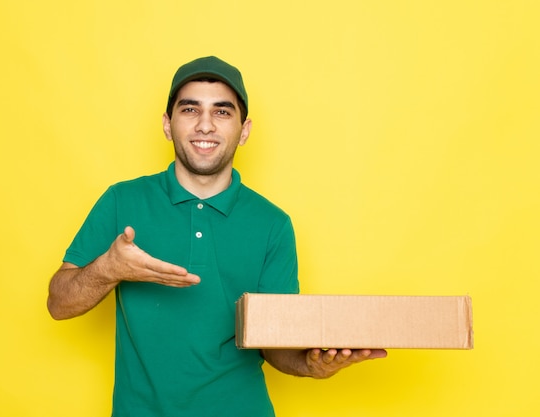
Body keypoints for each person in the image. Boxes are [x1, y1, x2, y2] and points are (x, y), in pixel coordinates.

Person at [47, 56, 387, 417]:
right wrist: (108, 268)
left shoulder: (272, 224)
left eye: (222, 112)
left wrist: (311, 365)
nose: (205, 125)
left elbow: (274, 343)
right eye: (190, 109)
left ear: (244, 130)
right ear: (167, 124)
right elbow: (58, 304)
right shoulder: (122, 200)